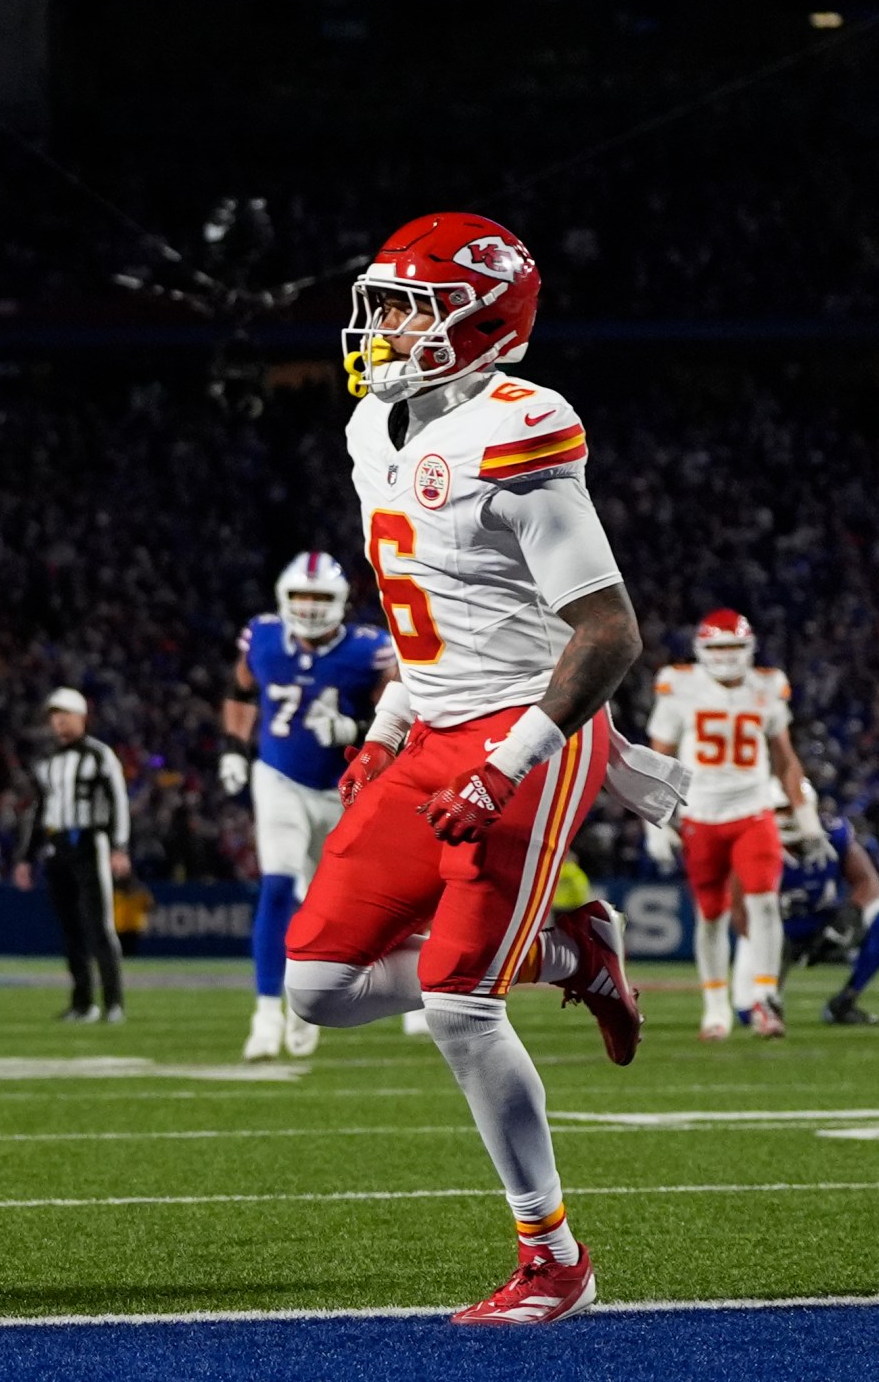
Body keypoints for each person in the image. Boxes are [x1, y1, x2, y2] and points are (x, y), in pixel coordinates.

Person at [284, 213, 684, 1325]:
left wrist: (506, 769)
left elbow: (605, 634)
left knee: (460, 1005)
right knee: (315, 989)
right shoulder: (380, 428)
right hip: (434, 730)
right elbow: (442, 615)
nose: (385, 327)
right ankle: (569, 949)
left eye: (412, 306)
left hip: (522, 738)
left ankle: (553, 1257)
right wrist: (386, 724)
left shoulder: (522, 429)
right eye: (386, 302)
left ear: (482, 324)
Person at [220, 551, 399, 1059]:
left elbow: (405, 715)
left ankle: (307, 1004)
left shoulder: (371, 650)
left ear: (342, 602)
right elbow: (239, 691)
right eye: (302, 595)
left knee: (328, 903)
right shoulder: (263, 636)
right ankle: (264, 1013)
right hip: (278, 776)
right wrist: (234, 747)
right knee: (277, 883)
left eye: (321, 597)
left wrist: (357, 730)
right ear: (284, 597)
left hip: (344, 789)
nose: (310, 606)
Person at [642, 610, 821, 1040]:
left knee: (763, 903)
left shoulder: (767, 687)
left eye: (734, 648)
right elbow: (657, 760)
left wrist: (804, 814)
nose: (726, 657)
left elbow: (784, 758)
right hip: (700, 814)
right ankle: (716, 1007)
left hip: (752, 809)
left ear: (750, 649)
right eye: (718, 648)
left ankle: (764, 1000)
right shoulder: (680, 688)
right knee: (711, 916)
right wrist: (655, 819)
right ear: (702, 651)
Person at [13, 688, 131, 1022]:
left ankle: (114, 1003)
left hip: (90, 842)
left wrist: (119, 846)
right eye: (54, 714)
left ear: (81, 716)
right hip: (57, 845)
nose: (58, 720)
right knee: (70, 928)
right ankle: (83, 1003)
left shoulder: (99, 755)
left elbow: (117, 801)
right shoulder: (47, 761)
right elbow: (39, 811)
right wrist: (26, 857)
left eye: (64, 713)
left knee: (99, 925)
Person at [762, 781, 879, 1026]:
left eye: (792, 807)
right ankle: (765, 998)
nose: (788, 815)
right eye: (781, 809)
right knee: (747, 1014)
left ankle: (845, 1002)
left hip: (822, 922)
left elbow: (867, 881)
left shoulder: (833, 834)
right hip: (777, 931)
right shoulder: (755, 843)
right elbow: (739, 905)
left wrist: (850, 914)